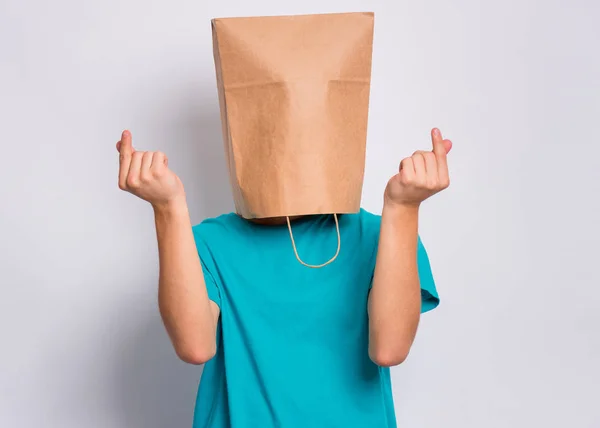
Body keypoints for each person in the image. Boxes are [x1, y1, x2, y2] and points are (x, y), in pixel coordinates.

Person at [116, 127, 451, 427]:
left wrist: (404, 208)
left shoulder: (380, 235)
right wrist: (167, 208)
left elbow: (390, 349)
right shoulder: (207, 243)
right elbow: (194, 346)